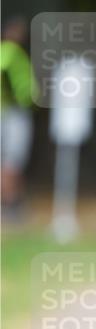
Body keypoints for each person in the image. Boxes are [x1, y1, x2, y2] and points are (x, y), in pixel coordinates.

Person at [1, 17, 37, 220]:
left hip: (8, 112)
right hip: (13, 113)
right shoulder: (10, 53)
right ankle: (10, 204)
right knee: (12, 161)